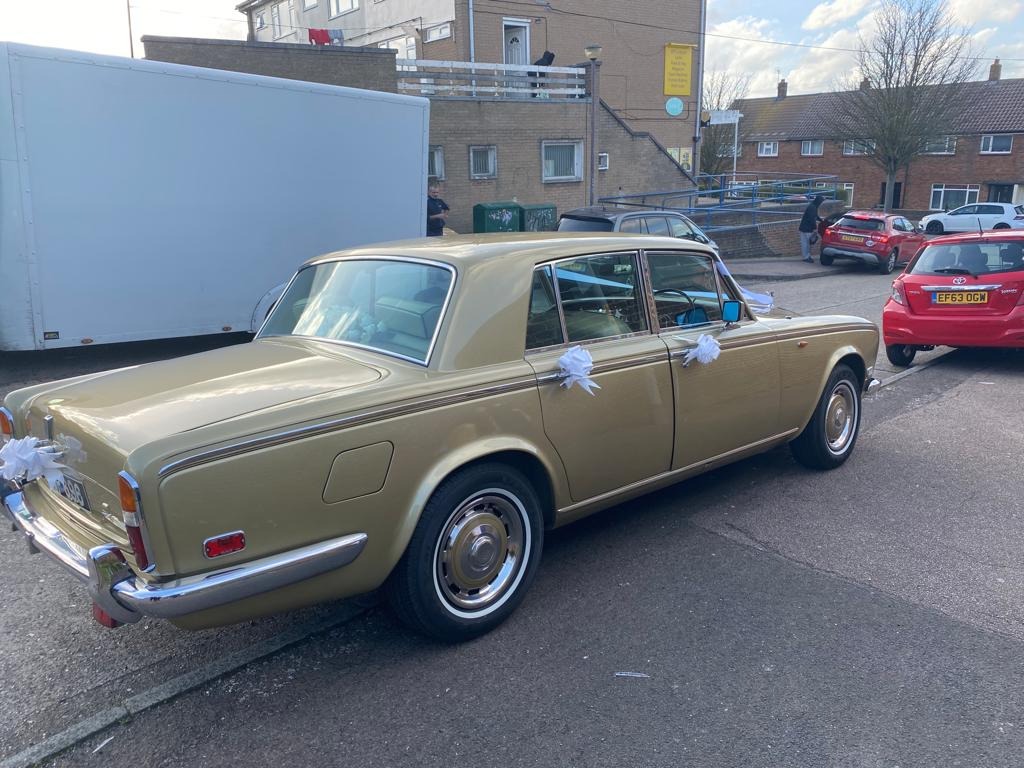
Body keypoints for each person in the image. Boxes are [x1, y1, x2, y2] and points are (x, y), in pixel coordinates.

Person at [798, 194, 825, 263]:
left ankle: (807, 256)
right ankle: (806, 257)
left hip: (804, 228)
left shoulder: (813, 206)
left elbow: (815, 216)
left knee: (806, 243)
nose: (821, 203)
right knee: (806, 244)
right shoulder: (812, 207)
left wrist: (820, 220)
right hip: (807, 229)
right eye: (821, 202)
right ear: (818, 201)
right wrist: (815, 228)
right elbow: (812, 218)